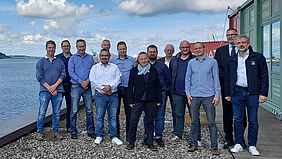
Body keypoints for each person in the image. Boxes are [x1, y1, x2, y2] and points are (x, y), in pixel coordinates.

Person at [224, 35, 268, 156]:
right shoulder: (231, 59)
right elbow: (227, 77)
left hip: (252, 93)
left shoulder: (258, 57)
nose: (241, 45)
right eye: (239, 43)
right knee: (238, 119)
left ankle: (252, 145)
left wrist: (263, 93)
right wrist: (227, 93)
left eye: (243, 42)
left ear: (248, 44)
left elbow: (264, 76)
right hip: (237, 93)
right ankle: (238, 143)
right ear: (236, 45)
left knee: (253, 120)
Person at [185, 42, 221, 155]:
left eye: (200, 48)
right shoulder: (191, 62)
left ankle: (214, 146)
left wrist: (217, 95)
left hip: (208, 96)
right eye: (196, 48)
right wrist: (188, 93)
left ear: (204, 49)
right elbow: (188, 78)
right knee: (194, 122)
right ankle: (193, 144)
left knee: (211, 122)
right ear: (193, 50)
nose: (198, 50)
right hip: (194, 96)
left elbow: (216, 79)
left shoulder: (212, 62)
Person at [214, 28, 247, 148]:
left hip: (241, 87)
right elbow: (216, 70)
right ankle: (229, 138)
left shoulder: (245, 50)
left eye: (233, 34)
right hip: (226, 87)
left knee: (241, 115)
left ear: (237, 35)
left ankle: (240, 138)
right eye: (228, 35)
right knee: (227, 114)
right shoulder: (220, 51)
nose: (230, 37)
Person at [126, 52, 162, 151]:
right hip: (138, 100)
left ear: (148, 59)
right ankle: (131, 141)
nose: (144, 61)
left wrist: (159, 99)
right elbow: (130, 87)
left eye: (145, 59)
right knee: (133, 120)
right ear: (138, 60)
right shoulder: (133, 71)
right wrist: (130, 100)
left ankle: (149, 141)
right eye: (141, 59)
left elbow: (158, 86)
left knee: (150, 121)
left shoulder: (153, 70)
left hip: (151, 100)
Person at [169, 40, 201, 144]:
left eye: (187, 47)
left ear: (189, 48)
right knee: (178, 114)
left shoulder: (194, 59)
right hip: (177, 92)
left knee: (194, 115)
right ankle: (178, 134)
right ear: (180, 48)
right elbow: (170, 74)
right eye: (183, 47)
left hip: (192, 93)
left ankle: (197, 136)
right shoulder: (174, 60)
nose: (185, 49)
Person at [89, 48, 123, 145]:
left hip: (113, 96)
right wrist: (104, 88)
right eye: (102, 55)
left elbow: (118, 78)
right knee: (99, 116)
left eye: (106, 55)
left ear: (109, 57)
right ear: (100, 57)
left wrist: (110, 87)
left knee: (112, 117)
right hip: (100, 96)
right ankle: (99, 136)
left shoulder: (115, 67)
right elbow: (93, 80)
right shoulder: (95, 68)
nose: (104, 57)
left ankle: (114, 136)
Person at [35, 40, 66, 140]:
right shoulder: (41, 62)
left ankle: (55, 131)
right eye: (49, 47)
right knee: (42, 112)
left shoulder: (59, 61)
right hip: (44, 91)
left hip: (58, 90)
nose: (51, 49)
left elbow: (63, 74)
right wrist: (50, 88)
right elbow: (39, 77)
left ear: (55, 48)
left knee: (56, 112)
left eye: (53, 48)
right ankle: (39, 132)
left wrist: (54, 87)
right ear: (46, 48)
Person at [68, 39, 95, 139]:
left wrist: (87, 81)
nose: (81, 48)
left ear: (85, 46)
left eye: (83, 46)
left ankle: (91, 131)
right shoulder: (72, 58)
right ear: (76, 47)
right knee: (74, 110)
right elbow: (71, 72)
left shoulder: (90, 58)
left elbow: (93, 72)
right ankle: (73, 131)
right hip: (76, 86)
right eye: (79, 46)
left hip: (87, 86)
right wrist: (81, 82)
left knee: (89, 110)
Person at [145, 45, 170, 147]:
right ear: (147, 53)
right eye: (150, 51)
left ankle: (158, 136)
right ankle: (148, 135)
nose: (152, 53)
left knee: (159, 116)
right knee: (147, 116)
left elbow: (168, 79)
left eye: (154, 52)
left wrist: (164, 90)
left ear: (157, 52)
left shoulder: (162, 66)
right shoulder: (143, 65)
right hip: (147, 96)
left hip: (161, 94)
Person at [110, 41, 135, 140]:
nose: (122, 50)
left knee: (129, 112)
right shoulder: (112, 61)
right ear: (117, 50)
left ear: (126, 49)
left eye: (124, 48)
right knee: (115, 112)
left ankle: (129, 134)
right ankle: (116, 134)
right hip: (116, 89)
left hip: (128, 89)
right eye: (120, 49)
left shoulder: (132, 61)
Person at [55, 40, 72, 132]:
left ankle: (69, 126)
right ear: (61, 47)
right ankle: (56, 127)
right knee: (57, 106)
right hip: (60, 86)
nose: (66, 47)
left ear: (70, 47)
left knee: (70, 107)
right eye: (64, 46)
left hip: (71, 85)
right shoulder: (57, 58)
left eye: (68, 46)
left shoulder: (73, 58)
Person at [158, 44, 175, 133]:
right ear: (164, 51)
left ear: (173, 51)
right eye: (167, 50)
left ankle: (176, 131)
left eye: (171, 50)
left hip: (173, 89)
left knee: (175, 111)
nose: (169, 52)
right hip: (163, 88)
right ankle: (159, 131)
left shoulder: (176, 60)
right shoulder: (159, 61)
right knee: (161, 111)